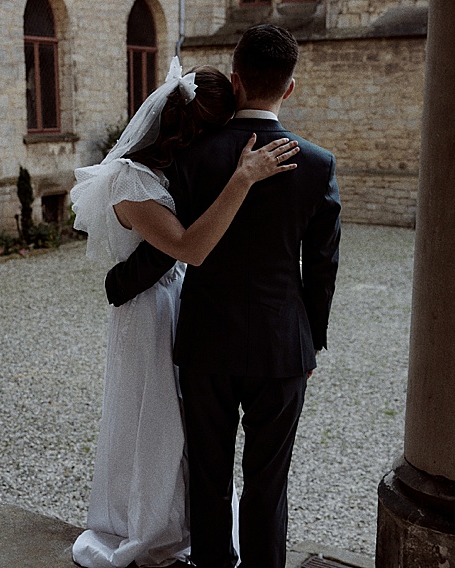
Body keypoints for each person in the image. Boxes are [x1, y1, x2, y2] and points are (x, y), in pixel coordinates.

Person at [104, 25, 342, 568]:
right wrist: (311, 341)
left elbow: (173, 244)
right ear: (290, 88)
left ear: (235, 81)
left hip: (206, 342)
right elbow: (322, 267)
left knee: (208, 474)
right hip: (283, 347)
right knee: (268, 481)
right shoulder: (318, 163)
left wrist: (121, 284)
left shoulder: (190, 157)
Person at [70, 57, 299, 568]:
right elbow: (189, 248)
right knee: (157, 423)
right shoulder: (131, 181)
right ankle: (152, 529)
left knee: (189, 428)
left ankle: (187, 522)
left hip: (179, 302)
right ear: (195, 128)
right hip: (149, 312)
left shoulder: (169, 173)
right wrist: (241, 178)